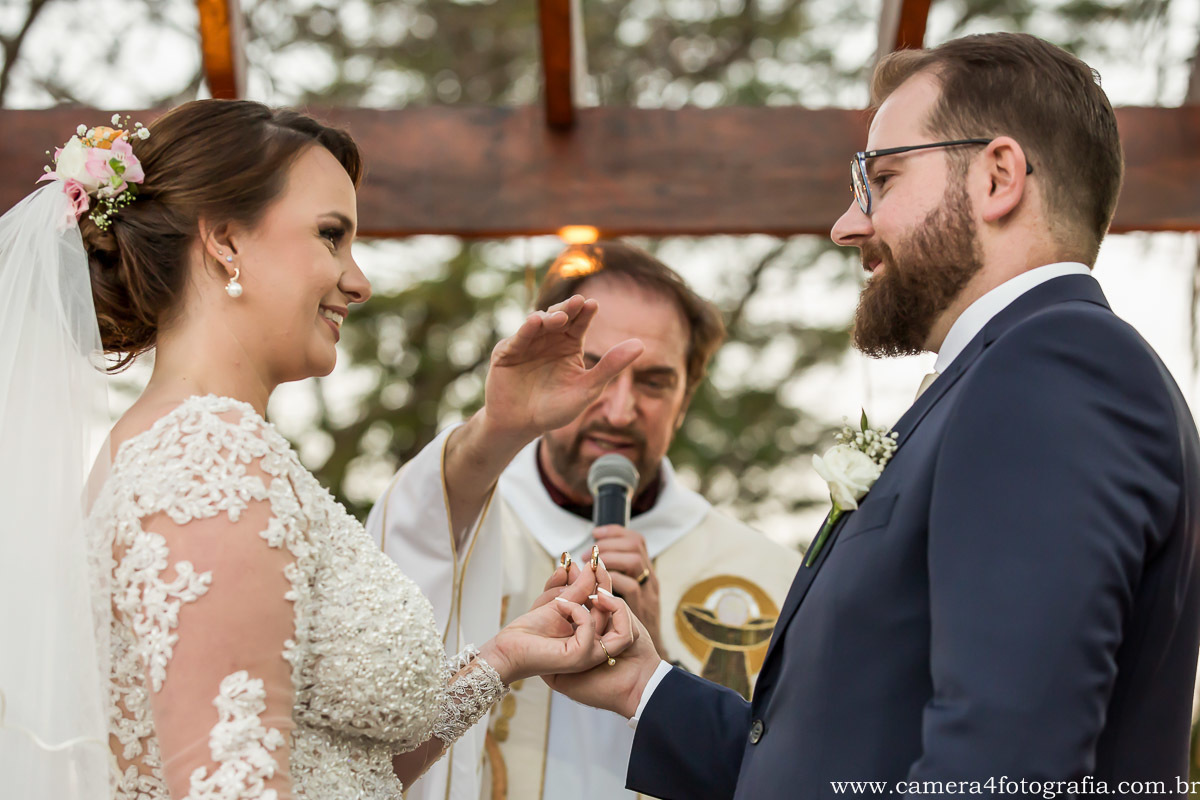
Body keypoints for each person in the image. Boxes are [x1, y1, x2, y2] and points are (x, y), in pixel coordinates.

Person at [549, 32, 1200, 795]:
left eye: (883, 178)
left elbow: (1000, 766)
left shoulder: (1055, 367)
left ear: (998, 177)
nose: (847, 225)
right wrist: (643, 684)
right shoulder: (1003, 379)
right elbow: (835, 765)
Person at [0, 99, 644, 800]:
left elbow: (338, 771)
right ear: (225, 241)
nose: (359, 281)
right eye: (331, 236)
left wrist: (505, 655)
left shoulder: (182, 444)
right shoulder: (210, 457)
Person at [368, 241, 801, 800]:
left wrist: (661, 666)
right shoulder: (455, 522)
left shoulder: (767, 574)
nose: (619, 412)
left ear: (686, 397)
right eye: (592, 368)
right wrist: (499, 425)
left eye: (654, 382)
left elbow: (798, 770)